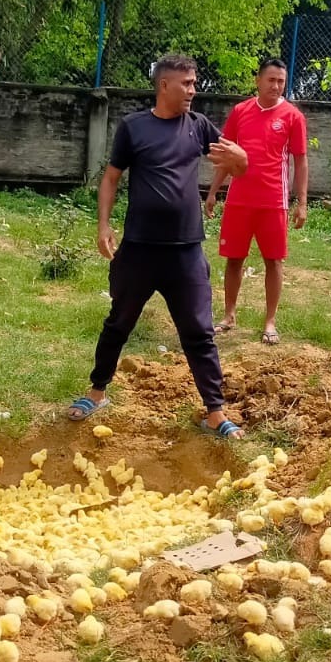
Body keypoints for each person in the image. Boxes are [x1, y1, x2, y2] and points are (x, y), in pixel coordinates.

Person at [69, 54, 250, 438]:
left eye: (194, 83)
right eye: (186, 83)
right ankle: (97, 392)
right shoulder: (134, 127)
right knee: (119, 323)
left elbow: (238, 164)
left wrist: (241, 158)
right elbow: (111, 178)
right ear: (164, 85)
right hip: (139, 249)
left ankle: (215, 412)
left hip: (185, 251)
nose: (193, 90)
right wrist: (103, 225)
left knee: (199, 332)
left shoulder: (198, 126)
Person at [204, 57, 308, 344]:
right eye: (271, 80)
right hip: (239, 201)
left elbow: (300, 161)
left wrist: (302, 203)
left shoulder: (292, 116)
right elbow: (227, 155)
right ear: (258, 81)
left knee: (274, 261)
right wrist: (213, 191)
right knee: (233, 259)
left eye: (281, 82)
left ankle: (270, 321)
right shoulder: (240, 112)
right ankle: (229, 315)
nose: (276, 86)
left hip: (273, 201)